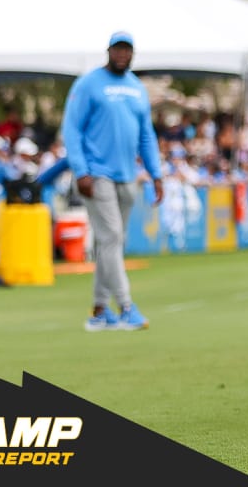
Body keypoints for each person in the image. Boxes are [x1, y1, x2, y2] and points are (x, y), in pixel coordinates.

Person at [62, 30, 164, 331]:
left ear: (133, 54)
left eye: (127, 50)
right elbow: (72, 129)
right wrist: (81, 170)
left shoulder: (136, 88)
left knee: (113, 243)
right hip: (97, 174)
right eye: (118, 49)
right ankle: (127, 307)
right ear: (108, 51)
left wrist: (156, 173)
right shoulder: (89, 84)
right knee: (111, 238)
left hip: (127, 175)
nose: (123, 55)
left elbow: (147, 135)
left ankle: (98, 311)